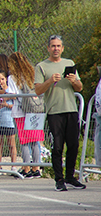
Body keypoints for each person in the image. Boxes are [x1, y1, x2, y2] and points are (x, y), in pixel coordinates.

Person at [34, 35, 86, 191]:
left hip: (71, 109)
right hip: (54, 111)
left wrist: (73, 81)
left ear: (62, 48)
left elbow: (79, 87)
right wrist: (50, 81)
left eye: (58, 46)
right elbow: (37, 90)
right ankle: (59, 179)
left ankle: (70, 177)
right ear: (48, 48)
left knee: (73, 145)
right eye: (53, 46)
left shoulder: (69, 63)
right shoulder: (41, 66)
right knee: (57, 147)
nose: (55, 49)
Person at [8, 52, 44, 179]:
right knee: (34, 141)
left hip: (21, 111)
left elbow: (12, 94)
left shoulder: (13, 78)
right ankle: (36, 168)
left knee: (24, 141)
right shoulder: (32, 75)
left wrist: (3, 93)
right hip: (35, 109)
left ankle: (26, 167)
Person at [0, 69, 17, 174]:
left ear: (6, 79)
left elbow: (14, 101)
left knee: (11, 143)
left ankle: (13, 166)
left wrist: (6, 101)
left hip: (9, 120)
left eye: (2, 79)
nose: (1, 81)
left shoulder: (11, 89)